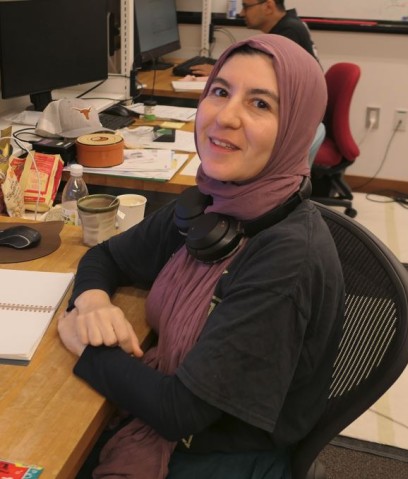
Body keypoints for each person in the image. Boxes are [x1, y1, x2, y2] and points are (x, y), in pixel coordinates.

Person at [58, 34, 344, 479]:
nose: (225, 117)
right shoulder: (213, 203)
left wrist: (86, 349)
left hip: (222, 451)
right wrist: (92, 300)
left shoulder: (288, 259)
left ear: (296, 129)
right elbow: (107, 257)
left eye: (261, 104)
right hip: (167, 414)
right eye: (220, 91)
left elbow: (179, 412)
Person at [189, 0, 317, 77]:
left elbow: (266, 76)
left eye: (246, 6)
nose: (241, 13)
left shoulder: (288, 33)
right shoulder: (288, 25)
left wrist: (219, 71)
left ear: (268, 6)